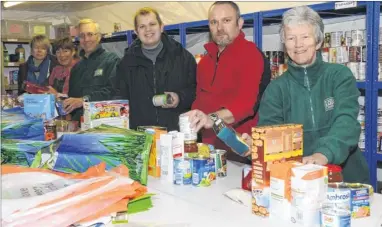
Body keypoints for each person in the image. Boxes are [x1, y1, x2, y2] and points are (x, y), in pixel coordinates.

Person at [245, 6, 369, 183]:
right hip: (298, 182)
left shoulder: (339, 76)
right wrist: (257, 146)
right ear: (284, 44)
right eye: (291, 38)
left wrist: (323, 154)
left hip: (345, 180)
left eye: (305, 37)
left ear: (318, 42)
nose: (298, 44)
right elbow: (271, 134)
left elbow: (346, 121)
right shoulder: (276, 89)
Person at [183, 1, 267, 163]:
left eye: (226, 21)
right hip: (208, 152)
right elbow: (199, 102)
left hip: (241, 153)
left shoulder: (251, 55)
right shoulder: (205, 62)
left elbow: (246, 105)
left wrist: (211, 118)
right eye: (214, 22)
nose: (219, 28)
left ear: (239, 23)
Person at [114, 7, 196, 131]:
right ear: (136, 31)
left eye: (152, 24)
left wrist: (180, 97)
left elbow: (196, 90)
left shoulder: (182, 57)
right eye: (142, 26)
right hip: (142, 136)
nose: (148, 30)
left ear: (161, 27)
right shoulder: (126, 63)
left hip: (176, 134)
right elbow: (119, 98)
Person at [63, 19, 120, 122]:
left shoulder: (111, 60)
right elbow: (73, 99)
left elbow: (113, 91)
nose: (86, 39)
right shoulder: (76, 68)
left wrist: (84, 100)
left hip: (103, 123)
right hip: (79, 125)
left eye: (90, 34)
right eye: (82, 36)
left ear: (98, 37)